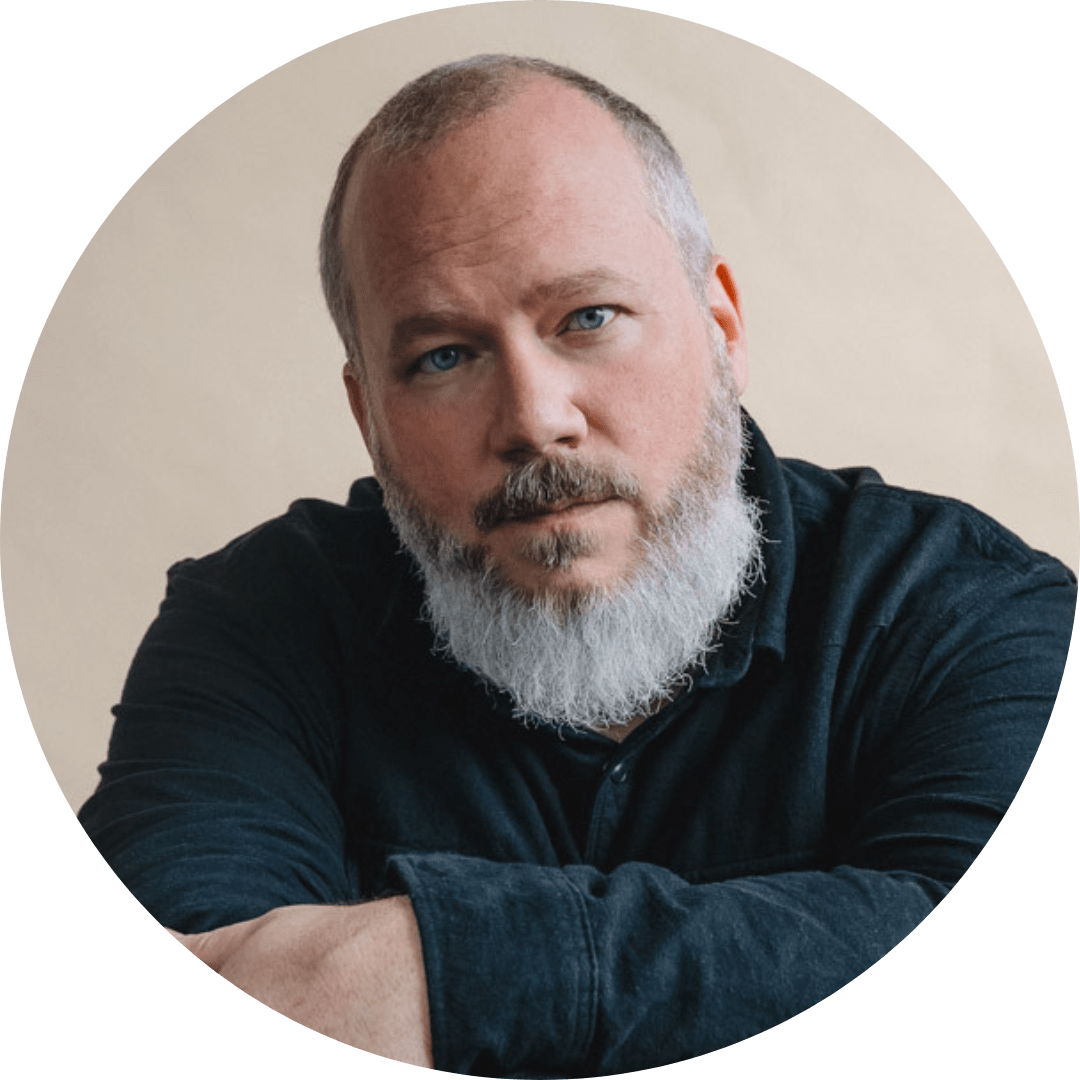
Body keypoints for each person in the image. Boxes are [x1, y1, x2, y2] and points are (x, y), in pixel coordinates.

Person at [79, 55, 1076, 1076]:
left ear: (722, 330)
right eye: (443, 357)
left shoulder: (969, 611)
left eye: (588, 318)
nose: (534, 419)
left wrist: (440, 967)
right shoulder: (253, 626)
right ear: (367, 415)